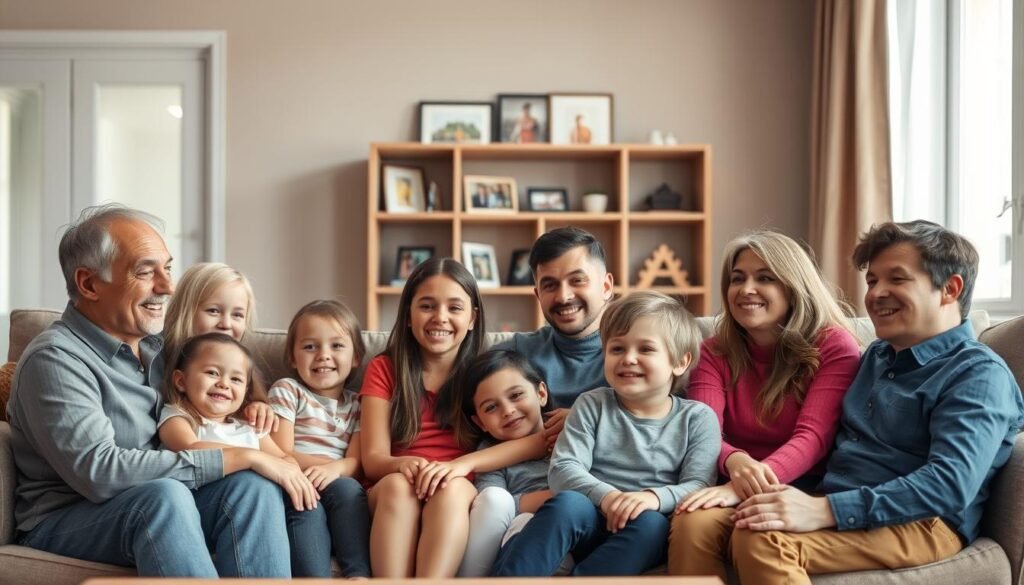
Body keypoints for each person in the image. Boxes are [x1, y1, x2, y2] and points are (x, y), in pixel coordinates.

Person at [727, 220, 1024, 584]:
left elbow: (949, 484)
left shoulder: (977, 374)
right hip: (843, 500)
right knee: (732, 523)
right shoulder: (877, 356)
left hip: (923, 522)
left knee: (766, 542)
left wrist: (826, 510)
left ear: (950, 288)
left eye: (896, 279)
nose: (876, 293)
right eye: (872, 281)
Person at [7, 203, 293, 577]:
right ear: (89, 283)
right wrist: (238, 456)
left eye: (168, 268)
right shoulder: (56, 360)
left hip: (160, 500)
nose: (168, 287)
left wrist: (257, 409)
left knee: (252, 489)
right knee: (164, 497)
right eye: (145, 271)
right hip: (69, 517)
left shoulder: (162, 350)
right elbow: (100, 472)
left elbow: (215, 387)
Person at [667, 230, 861, 579]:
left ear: (793, 286)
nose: (746, 289)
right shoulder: (713, 351)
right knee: (690, 522)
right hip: (731, 477)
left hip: (805, 486)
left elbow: (813, 437)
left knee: (753, 529)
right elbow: (703, 430)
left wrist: (738, 486)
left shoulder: (834, 345)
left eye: (765, 278)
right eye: (737, 279)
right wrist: (736, 460)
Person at [490, 291, 719, 576]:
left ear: (680, 362)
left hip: (643, 528)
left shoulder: (697, 418)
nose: (628, 359)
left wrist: (651, 498)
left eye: (645, 349)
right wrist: (608, 497)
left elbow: (698, 484)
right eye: (617, 349)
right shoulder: (592, 404)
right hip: (589, 517)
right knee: (568, 502)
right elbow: (563, 468)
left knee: (652, 523)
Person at [359, 257, 543, 577]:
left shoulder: (482, 373)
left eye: (454, 308)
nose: (440, 318)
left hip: (458, 485)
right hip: (393, 483)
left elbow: (536, 441)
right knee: (399, 488)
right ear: (407, 315)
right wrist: (405, 465)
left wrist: (459, 466)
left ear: (472, 318)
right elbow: (373, 459)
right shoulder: (384, 368)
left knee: (452, 487)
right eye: (427, 306)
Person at [267, 300, 371, 578]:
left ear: (357, 356)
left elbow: (357, 462)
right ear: (292, 357)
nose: (323, 355)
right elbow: (281, 451)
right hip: (296, 485)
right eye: (310, 346)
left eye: (336, 346)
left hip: (339, 485)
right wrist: (322, 469)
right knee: (306, 507)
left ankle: (359, 575)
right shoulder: (288, 391)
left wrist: (334, 470)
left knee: (349, 490)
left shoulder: (359, 404)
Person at [158, 332, 318, 511]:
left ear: (245, 390)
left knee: (310, 505)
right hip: (205, 504)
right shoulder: (177, 415)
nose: (224, 384)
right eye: (212, 372)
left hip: (260, 504)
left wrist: (293, 472)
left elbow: (281, 457)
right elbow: (190, 447)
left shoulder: (249, 427)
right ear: (181, 381)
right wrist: (253, 458)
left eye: (235, 379)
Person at [494, 226, 614, 448]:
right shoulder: (515, 353)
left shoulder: (637, 352)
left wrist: (585, 419)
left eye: (577, 280)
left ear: (606, 287)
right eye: (550, 285)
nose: (563, 296)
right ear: (538, 294)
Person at [454, 349, 557, 576]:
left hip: (567, 531)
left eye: (516, 395)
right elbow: (493, 505)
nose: (508, 411)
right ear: (480, 422)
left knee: (528, 522)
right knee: (502, 504)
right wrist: (554, 498)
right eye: (491, 407)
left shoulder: (568, 427)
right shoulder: (487, 453)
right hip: (508, 533)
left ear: (541, 393)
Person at [162, 261, 277, 432]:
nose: (226, 324)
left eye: (237, 315)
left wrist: (259, 406)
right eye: (213, 311)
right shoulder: (158, 361)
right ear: (185, 312)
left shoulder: (245, 369)